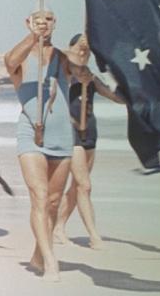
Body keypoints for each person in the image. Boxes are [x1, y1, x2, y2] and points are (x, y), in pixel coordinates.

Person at [4, 9, 72, 282]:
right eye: (38, 18)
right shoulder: (22, 57)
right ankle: (51, 260)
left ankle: (38, 254)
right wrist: (34, 37)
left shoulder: (62, 58)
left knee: (54, 202)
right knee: (40, 197)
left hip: (63, 136)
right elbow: (10, 61)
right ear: (28, 22)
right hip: (31, 133)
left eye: (50, 19)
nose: (44, 22)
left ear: (56, 23)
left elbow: (81, 63)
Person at [53, 33, 124, 250]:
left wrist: (137, 94)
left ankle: (58, 227)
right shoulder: (62, 72)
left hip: (90, 133)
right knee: (85, 185)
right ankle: (94, 236)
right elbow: (59, 56)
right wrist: (76, 54)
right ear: (71, 47)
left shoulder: (90, 76)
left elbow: (115, 97)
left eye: (88, 48)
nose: (84, 50)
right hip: (71, 130)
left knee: (77, 187)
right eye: (80, 46)